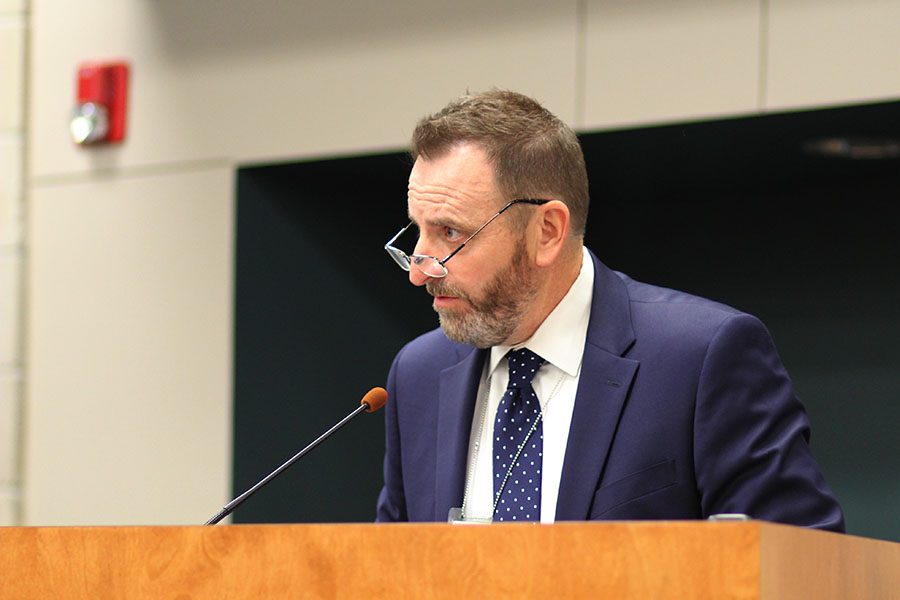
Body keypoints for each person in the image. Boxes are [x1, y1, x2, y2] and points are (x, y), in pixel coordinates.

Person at [375, 90, 844, 531]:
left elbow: (801, 563)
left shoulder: (700, 358)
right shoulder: (419, 373)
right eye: (418, 232)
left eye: (452, 234)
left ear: (548, 231)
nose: (419, 271)